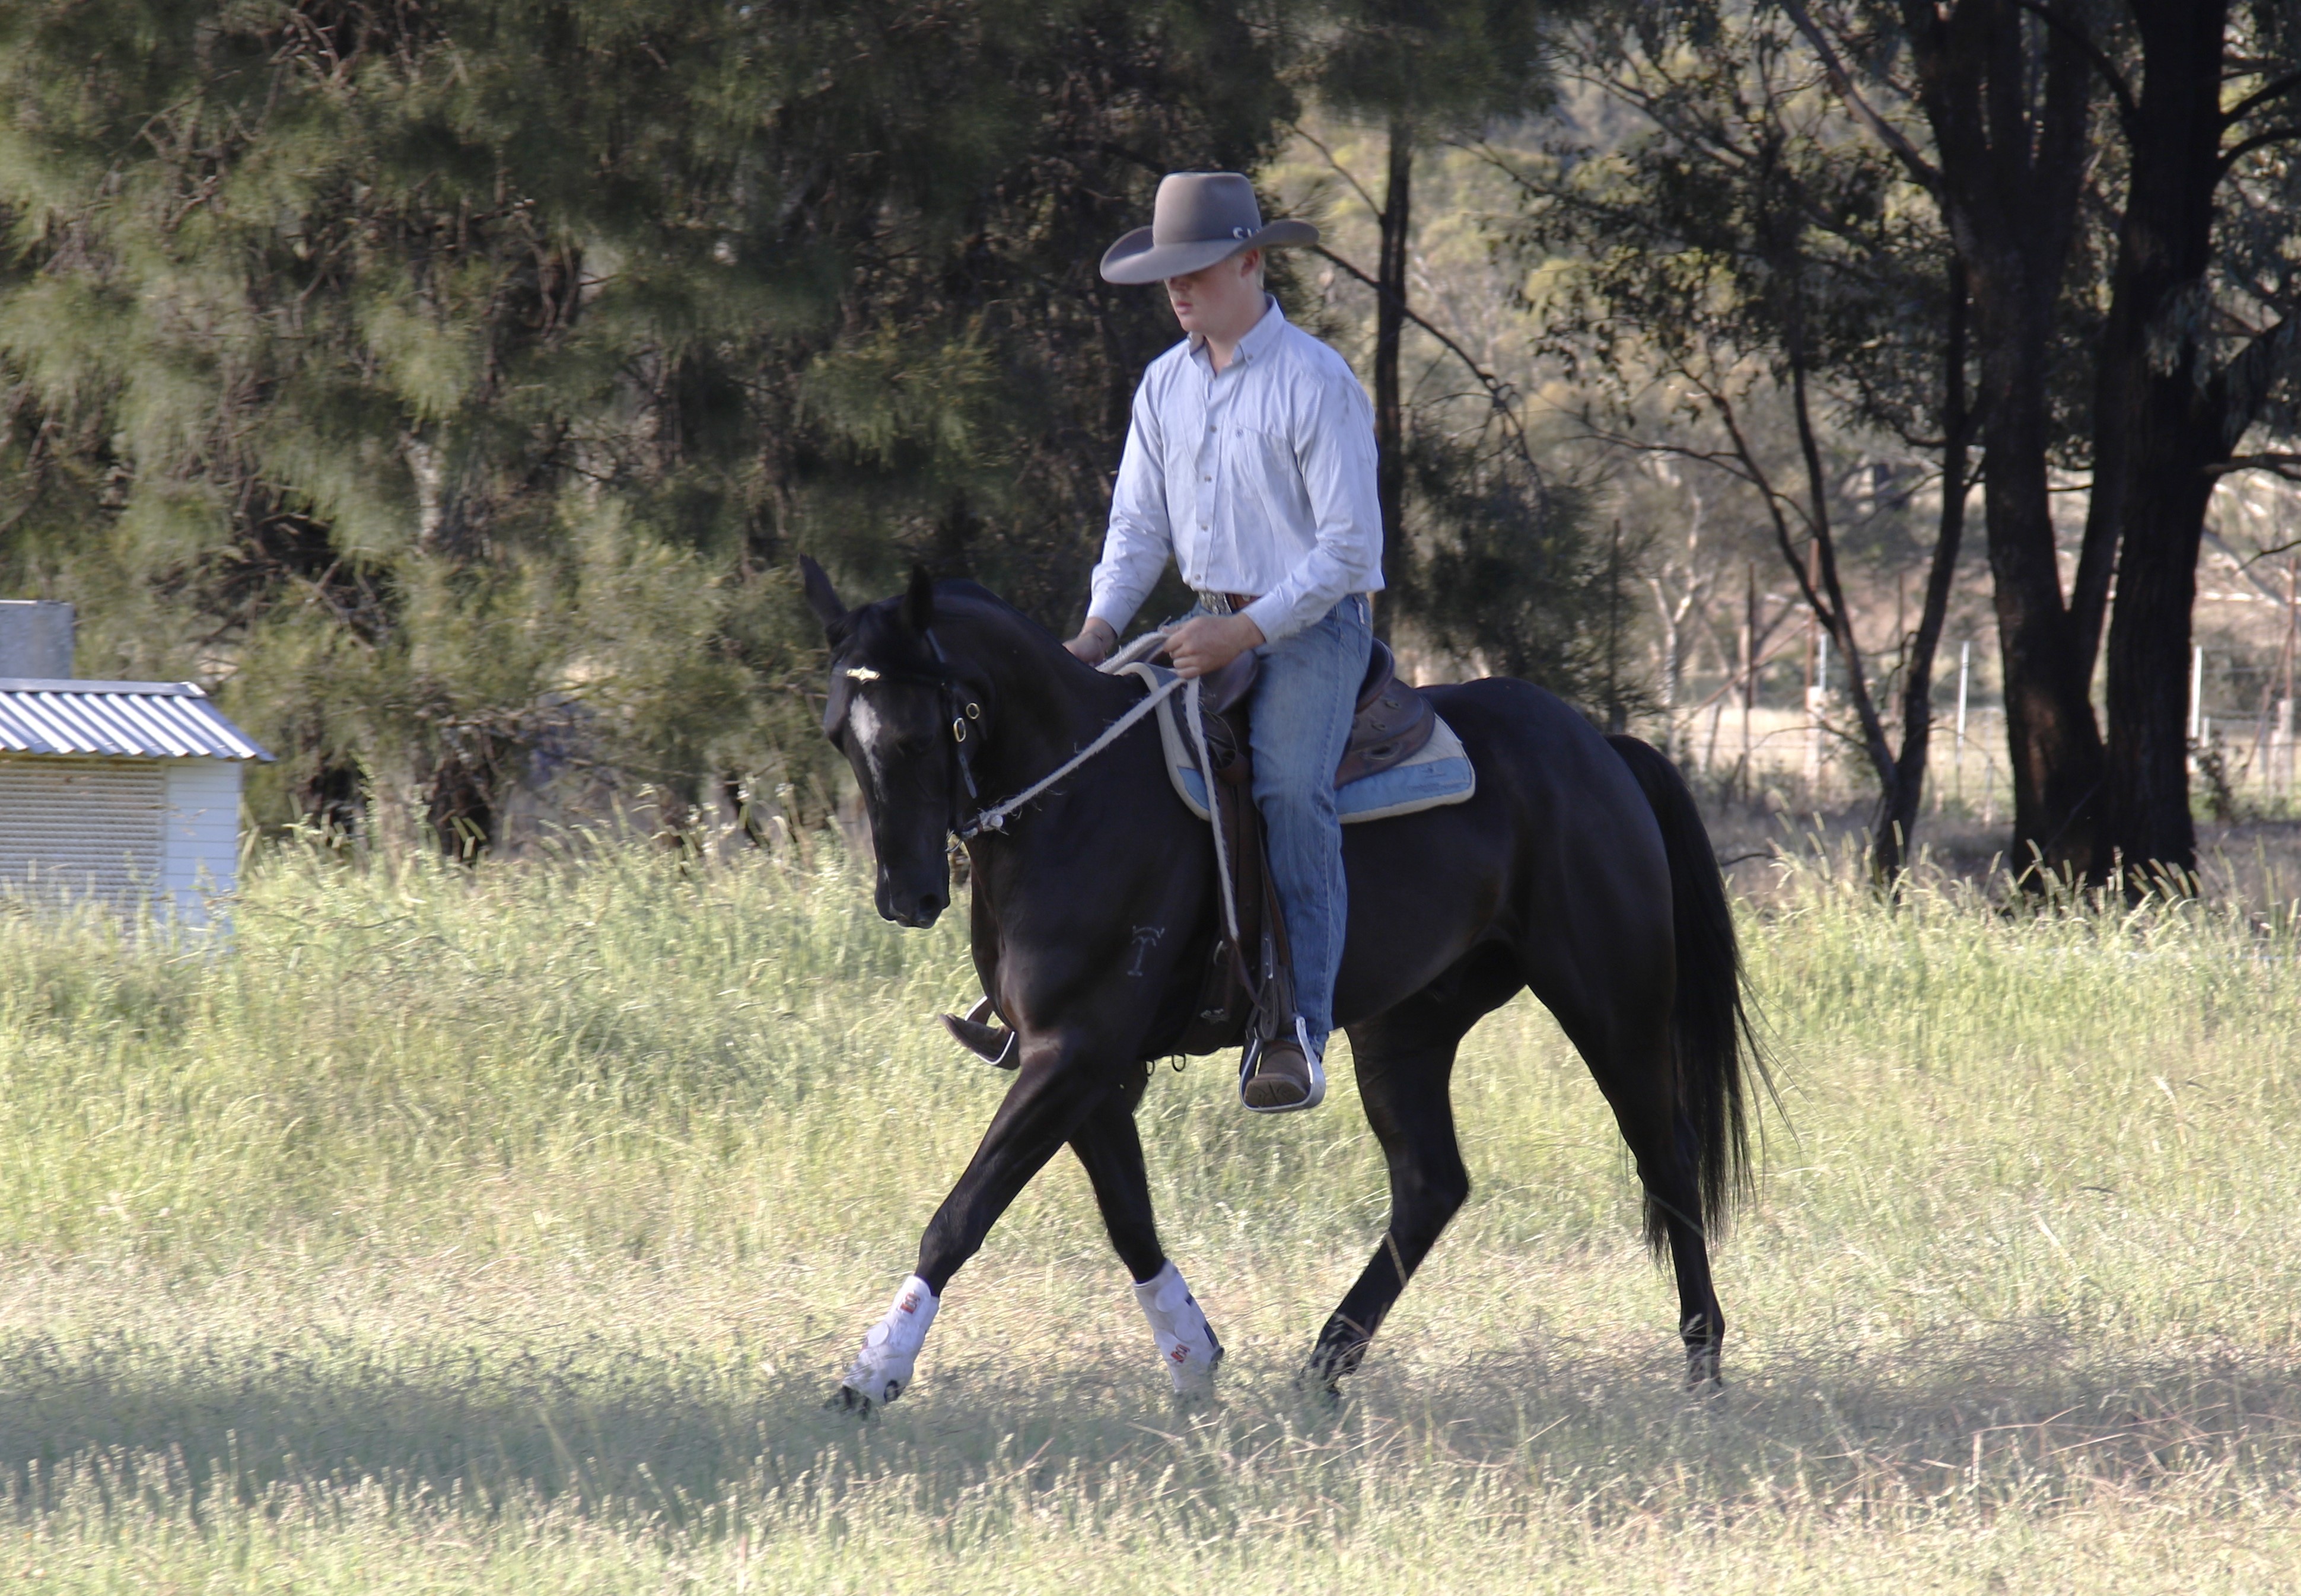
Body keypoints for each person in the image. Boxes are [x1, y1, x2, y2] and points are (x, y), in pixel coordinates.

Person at [1064, 171, 1383, 1113]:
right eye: (1169, 273)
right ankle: (1061, 990)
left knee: (1288, 789)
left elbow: (1348, 550)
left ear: (1250, 265)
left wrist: (1243, 631)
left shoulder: (1315, 381)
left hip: (1313, 629)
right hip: (1205, 621)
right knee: (1090, 750)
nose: (1178, 288)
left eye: (1196, 269)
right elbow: (1137, 531)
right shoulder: (1163, 386)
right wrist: (1098, 634)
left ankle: (1298, 1031)